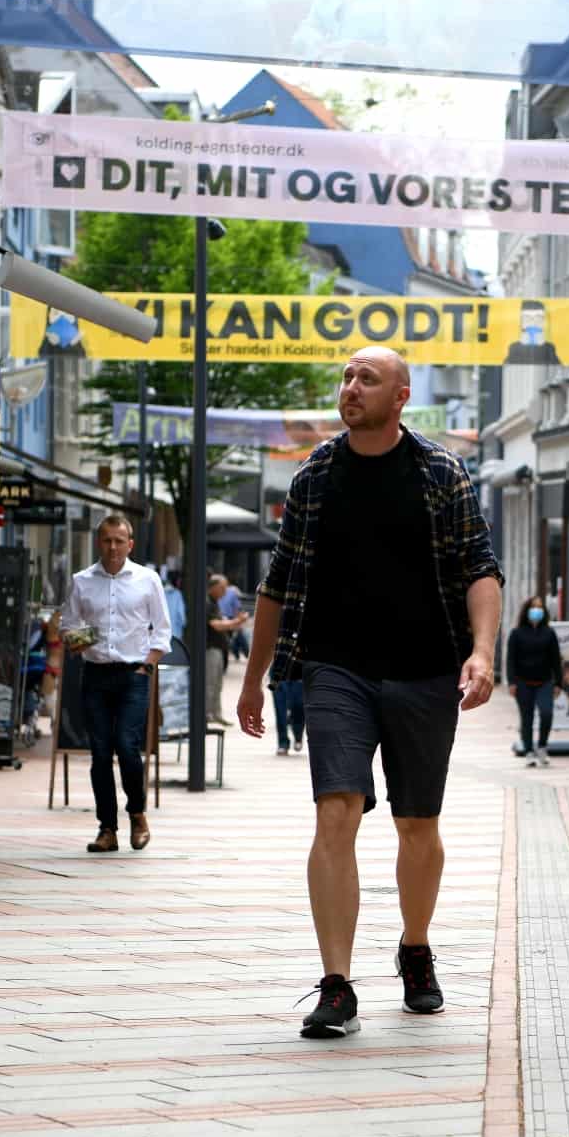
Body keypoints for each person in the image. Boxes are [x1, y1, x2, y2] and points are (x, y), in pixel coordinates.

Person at [237, 345, 502, 1040]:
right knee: (335, 812)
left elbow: (479, 565)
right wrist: (251, 679)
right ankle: (336, 984)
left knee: (417, 825)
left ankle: (415, 948)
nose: (351, 388)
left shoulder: (442, 472)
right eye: (347, 376)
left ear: (401, 395)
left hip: (424, 669)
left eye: (368, 379)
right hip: (334, 667)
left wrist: (481, 651)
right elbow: (278, 580)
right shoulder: (315, 475)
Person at [58, 514, 171, 854]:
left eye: (119, 541)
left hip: (133, 674)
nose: (112, 547)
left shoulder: (147, 579)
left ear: (130, 544)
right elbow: (67, 626)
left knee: (126, 745)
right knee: (100, 753)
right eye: (107, 540)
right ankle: (107, 828)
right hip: (95, 675)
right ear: (98, 542)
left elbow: (162, 630)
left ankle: (137, 813)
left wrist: (147, 666)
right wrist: (79, 639)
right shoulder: (81, 581)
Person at [506, 595, 562, 767]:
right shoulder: (516, 633)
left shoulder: (549, 633)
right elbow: (510, 660)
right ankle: (529, 750)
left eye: (539, 607)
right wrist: (512, 682)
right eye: (533, 607)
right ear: (527, 610)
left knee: (547, 713)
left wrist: (558, 683)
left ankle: (542, 746)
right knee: (527, 718)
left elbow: (556, 659)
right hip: (523, 683)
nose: (536, 610)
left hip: (544, 682)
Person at [205, 573, 248, 725]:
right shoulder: (207, 602)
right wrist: (237, 621)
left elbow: (223, 622)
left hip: (218, 649)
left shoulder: (215, 602)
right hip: (210, 649)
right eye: (222, 588)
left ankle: (215, 713)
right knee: (210, 683)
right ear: (214, 587)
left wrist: (236, 622)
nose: (225, 591)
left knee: (217, 684)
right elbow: (216, 624)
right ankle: (207, 714)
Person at [271, 674, 306, 757]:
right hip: (278, 671)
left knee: (298, 704)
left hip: (299, 670)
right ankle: (282, 742)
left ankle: (298, 735)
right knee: (280, 708)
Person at [222, 579, 250, 660]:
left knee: (232, 638)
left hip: (223, 617)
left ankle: (237, 654)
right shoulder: (233, 592)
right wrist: (239, 620)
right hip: (231, 618)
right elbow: (237, 608)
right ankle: (245, 653)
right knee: (238, 636)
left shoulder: (224, 591)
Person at [163, 571, 187, 644]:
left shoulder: (159, 592)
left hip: (161, 634)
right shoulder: (177, 594)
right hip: (175, 634)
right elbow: (181, 616)